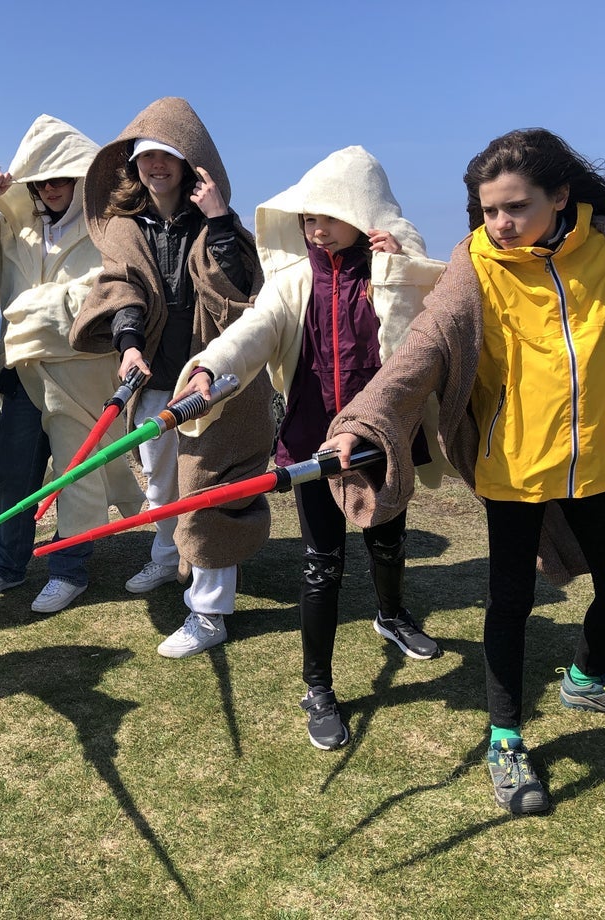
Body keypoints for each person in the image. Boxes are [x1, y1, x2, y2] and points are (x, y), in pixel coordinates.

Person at [322, 129, 605, 813]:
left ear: (560, 196)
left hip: (600, 461)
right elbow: (419, 353)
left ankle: (586, 676)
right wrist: (360, 423)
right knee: (508, 605)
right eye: (487, 210)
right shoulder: (473, 266)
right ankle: (505, 737)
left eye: (514, 208)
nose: (498, 225)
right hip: (515, 469)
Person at [172, 147, 449, 749]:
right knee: (322, 562)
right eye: (307, 217)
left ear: (362, 212)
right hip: (311, 442)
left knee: (387, 536)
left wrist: (397, 276)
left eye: (326, 215)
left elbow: (416, 345)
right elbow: (253, 330)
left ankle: (392, 615)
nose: (313, 227)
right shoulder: (294, 280)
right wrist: (209, 370)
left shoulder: (398, 271)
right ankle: (318, 686)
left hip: (381, 438)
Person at [71, 97, 275, 658]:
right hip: (157, 378)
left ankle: (209, 613)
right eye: (146, 157)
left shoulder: (219, 222)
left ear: (189, 162)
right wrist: (129, 345)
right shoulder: (125, 227)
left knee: (205, 489)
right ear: (132, 166)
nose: (156, 166)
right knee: (160, 487)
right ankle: (167, 558)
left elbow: (238, 288)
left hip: (214, 379)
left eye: (168, 155)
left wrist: (216, 218)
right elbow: (122, 289)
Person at [0, 115, 144, 614]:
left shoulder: (108, 229)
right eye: (41, 181)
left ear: (81, 177)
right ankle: (5, 566)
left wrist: (31, 312)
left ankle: (68, 570)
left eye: (61, 178)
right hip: (22, 372)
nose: (51, 189)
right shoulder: (20, 230)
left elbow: (110, 290)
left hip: (81, 371)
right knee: (15, 475)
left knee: (76, 475)